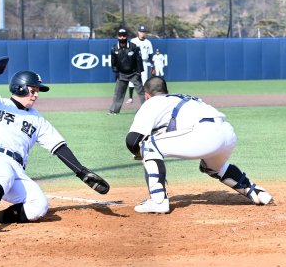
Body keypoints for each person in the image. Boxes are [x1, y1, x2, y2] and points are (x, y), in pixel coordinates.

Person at [0, 62, 109, 232]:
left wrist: (81, 171)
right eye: (33, 90)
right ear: (20, 87)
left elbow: (59, 147)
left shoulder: (38, 119)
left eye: (37, 92)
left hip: (17, 170)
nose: (36, 95)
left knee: (39, 206)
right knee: (4, 174)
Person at [125, 77, 273, 214]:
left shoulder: (151, 102)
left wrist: (140, 153)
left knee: (148, 145)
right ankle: (257, 192)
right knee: (213, 168)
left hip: (205, 133)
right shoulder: (181, 97)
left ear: (146, 95)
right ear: (166, 92)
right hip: (227, 133)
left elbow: (132, 140)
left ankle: (158, 201)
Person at [108, 28, 145, 115]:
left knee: (141, 92)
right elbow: (113, 63)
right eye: (120, 36)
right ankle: (114, 110)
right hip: (122, 74)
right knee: (118, 93)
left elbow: (138, 61)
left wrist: (139, 72)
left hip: (134, 73)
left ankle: (148, 108)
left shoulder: (133, 47)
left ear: (127, 36)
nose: (122, 37)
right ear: (118, 36)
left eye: (124, 35)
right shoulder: (114, 48)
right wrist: (116, 72)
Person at [126, 25, 154, 104]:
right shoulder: (133, 41)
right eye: (141, 31)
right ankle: (130, 98)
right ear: (138, 32)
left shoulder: (148, 42)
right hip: (135, 64)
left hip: (144, 63)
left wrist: (152, 65)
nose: (142, 33)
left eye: (144, 32)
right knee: (132, 81)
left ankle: (146, 98)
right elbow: (129, 52)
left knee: (145, 82)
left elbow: (151, 55)